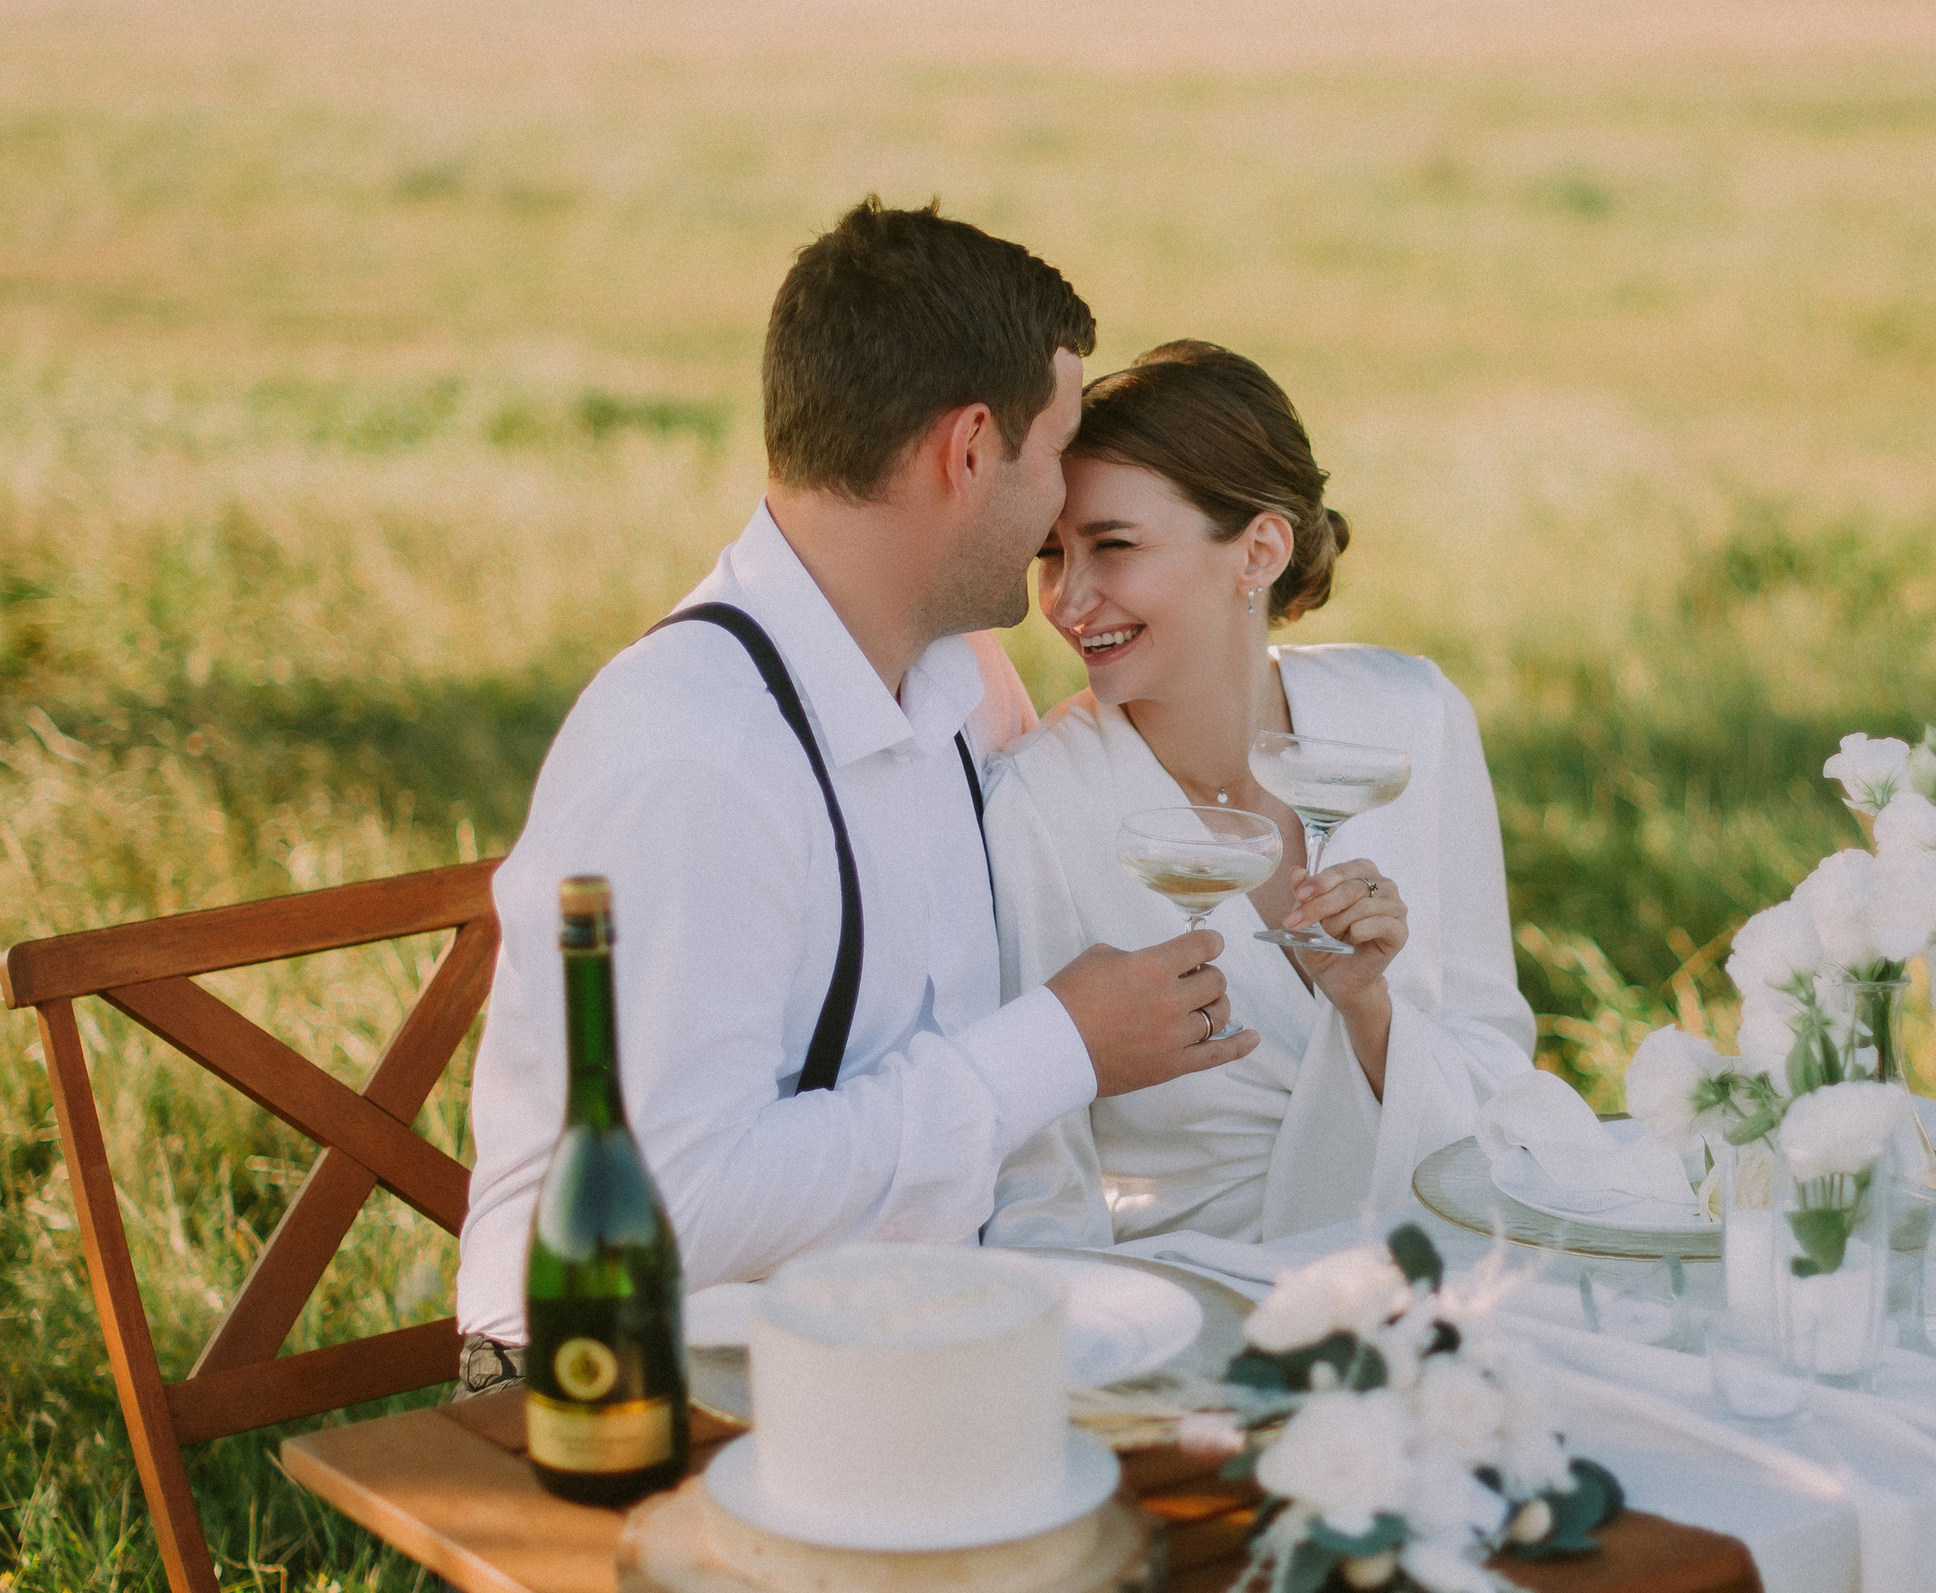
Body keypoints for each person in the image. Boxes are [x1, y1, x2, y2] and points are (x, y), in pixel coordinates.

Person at [454, 204, 1259, 1382]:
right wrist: (1058, 1045)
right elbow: (672, 1210)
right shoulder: (693, 753)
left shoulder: (945, 679)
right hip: (611, 1382)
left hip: (872, 1332)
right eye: (1057, 454)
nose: (1061, 506)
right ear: (971, 448)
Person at [982, 342, 1535, 1248]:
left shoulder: (1410, 718)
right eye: (1051, 554)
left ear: (1260, 550)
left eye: (1113, 546)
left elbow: (1499, 1068)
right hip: (1189, 1312)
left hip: (1439, 1261)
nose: (1067, 599)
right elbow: (1038, 1182)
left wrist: (1370, 1012)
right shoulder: (1039, 806)